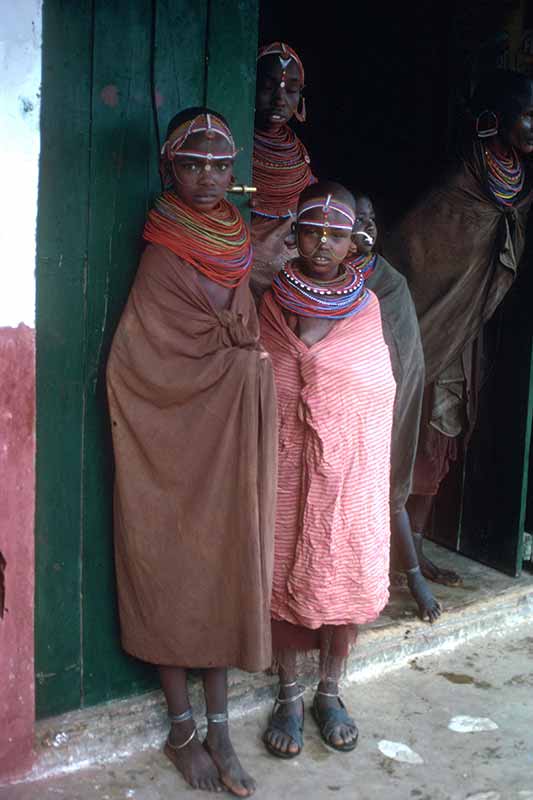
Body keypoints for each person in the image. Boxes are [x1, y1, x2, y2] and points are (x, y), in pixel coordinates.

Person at [107, 108, 277, 796]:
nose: (206, 176)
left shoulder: (236, 241)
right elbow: (134, 363)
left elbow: (238, 329)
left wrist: (246, 365)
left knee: (225, 564)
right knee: (173, 567)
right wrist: (241, 368)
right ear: (167, 169)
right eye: (191, 163)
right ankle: (182, 728)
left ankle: (221, 727)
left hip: (226, 437)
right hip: (172, 443)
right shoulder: (160, 254)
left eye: (218, 164)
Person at [260, 181, 396, 758]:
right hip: (284, 463)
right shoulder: (270, 302)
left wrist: (328, 398)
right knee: (279, 566)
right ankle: (289, 693)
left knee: (343, 569)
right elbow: (259, 376)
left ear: (353, 244)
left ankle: (330, 691)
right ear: (294, 235)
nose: (322, 243)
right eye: (312, 230)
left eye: (335, 235)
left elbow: (376, 387)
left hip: (349, 470)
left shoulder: (365, 307)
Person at [384, 70, 533, 585]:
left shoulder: (515, 180)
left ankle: (416, 552)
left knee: (440, 434)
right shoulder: (459, 181)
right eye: (529, 117)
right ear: (496, 120)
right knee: (403, 429)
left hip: (464, 330)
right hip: (425, 325)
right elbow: (415, 254)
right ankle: (384, 552)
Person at [351, 193, 441, 622]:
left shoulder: (390, 283)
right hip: (336, 411)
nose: (363, 227)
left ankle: (412, 578)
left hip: (381, 405)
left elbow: (407, 362)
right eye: (354, 219)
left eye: (370, 218)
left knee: (390, 489)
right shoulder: (313, 283)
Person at [250, 41, 314, 299]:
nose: (279, 99)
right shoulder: (232, 142)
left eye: (291, 90)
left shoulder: (296, 149)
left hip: (295, 240)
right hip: (252, 247)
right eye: (267, 87)